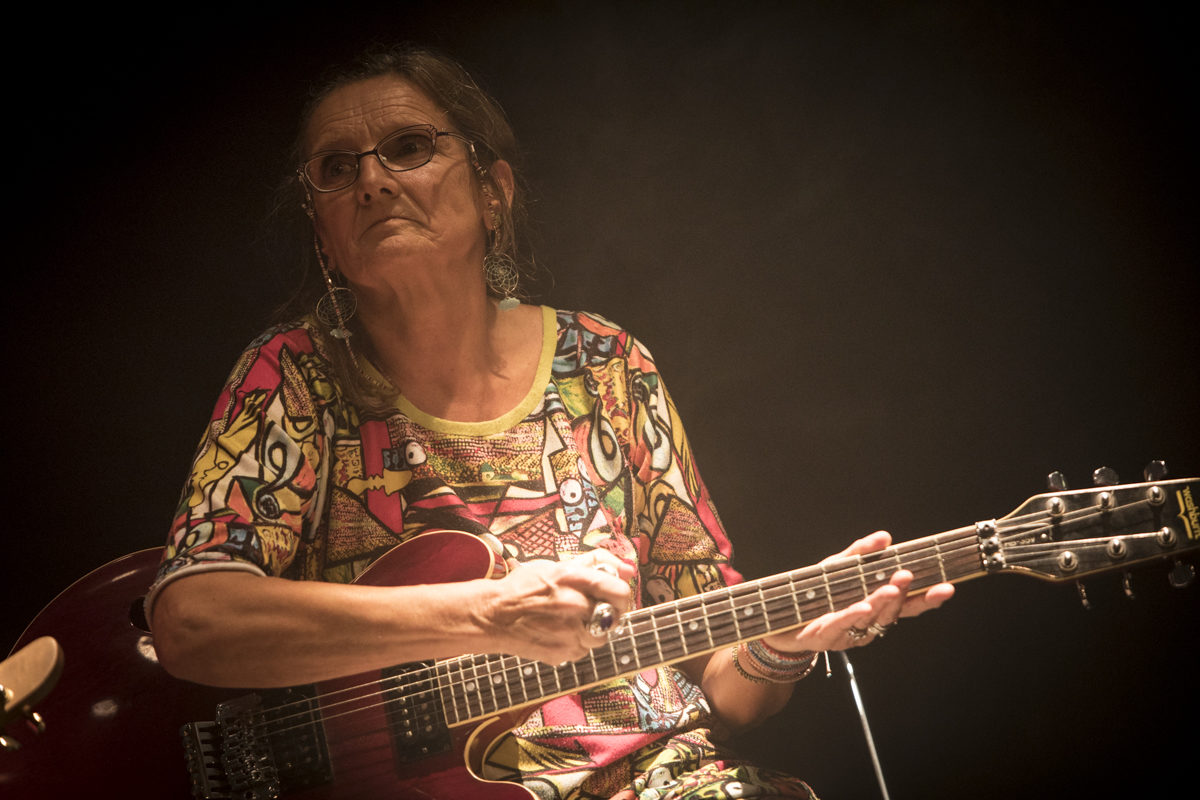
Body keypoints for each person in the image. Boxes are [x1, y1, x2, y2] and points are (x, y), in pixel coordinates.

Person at [146, 43, 954, 800]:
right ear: (322, 230)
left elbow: (722, 682)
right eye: (336, 167)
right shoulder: (292, 376)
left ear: (492, 191)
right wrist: (491, 613)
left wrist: (781, 645)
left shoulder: (607, 364)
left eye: (408, 148)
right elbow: (193, 620)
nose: (372, 181)